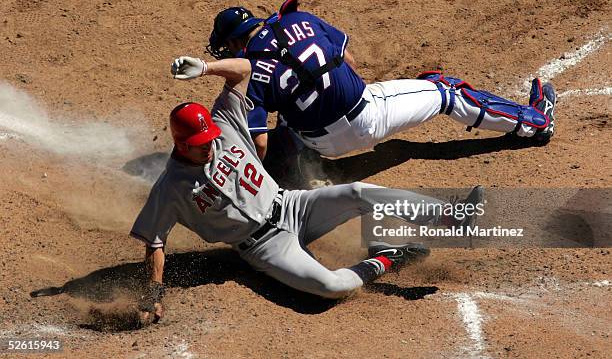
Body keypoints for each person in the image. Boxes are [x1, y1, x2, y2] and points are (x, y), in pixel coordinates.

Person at [130, 57, 483, 323]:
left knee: (358, 192)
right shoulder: (170, 187)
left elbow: (243, 71)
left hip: (293, 205)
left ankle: (448, 217)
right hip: (266, 247)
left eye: (209, 139)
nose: (209, 146)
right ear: (182, 144)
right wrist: (154, 292)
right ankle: (388, 258)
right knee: (331, 289)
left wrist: (206, 66)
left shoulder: (223, 123)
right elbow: (155, 243)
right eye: (200, 143)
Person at [178, 0, 556, 168]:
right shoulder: (300, 20)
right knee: (444, 88)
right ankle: (535, 123)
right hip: (367, 115)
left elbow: (258, 143)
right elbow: (350, 60)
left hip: (320, 146)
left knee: (280, 126)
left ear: (231, 44)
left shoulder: (250, 73)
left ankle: (296, 170)